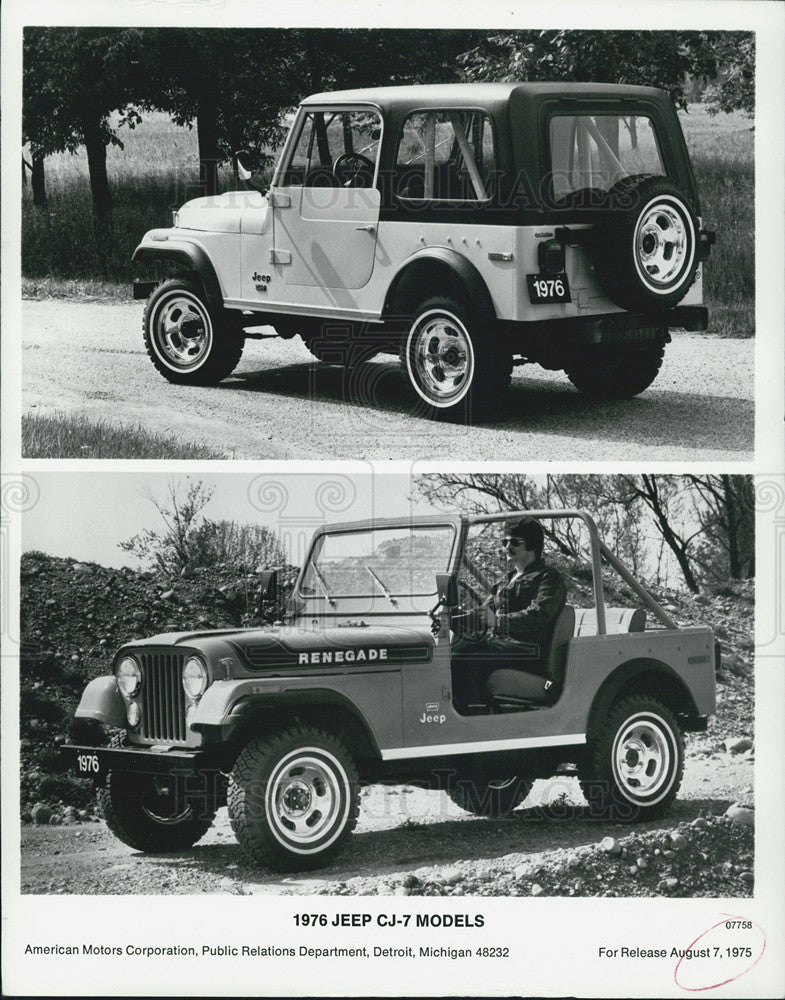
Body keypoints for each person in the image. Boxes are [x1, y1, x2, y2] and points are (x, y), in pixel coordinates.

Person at [450, 518, 567, 710]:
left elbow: (538, 615)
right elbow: (485, 613)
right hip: (502, 647)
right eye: (504, 542)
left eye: (514, 542)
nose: (506, 547)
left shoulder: (549, 578)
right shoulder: (506, 579)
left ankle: (467, 715)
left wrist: (497, 621)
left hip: (529, 651)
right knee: (451, 652)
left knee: (461, 660)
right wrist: (458, 618)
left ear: (532, 545)